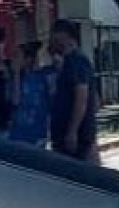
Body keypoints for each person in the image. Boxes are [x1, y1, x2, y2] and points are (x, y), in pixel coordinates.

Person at [49, 19, 99, 163]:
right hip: (79, 133)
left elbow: (81, 98)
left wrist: (72, 131)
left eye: (54, 37)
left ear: (64, 37)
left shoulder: (75, 61)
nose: (52, 41)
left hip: (75, 135)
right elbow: (95, 101)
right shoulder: (74, 62)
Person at [8, 41, 51, 147]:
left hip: (38, 131)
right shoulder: (14, 79)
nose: (14, 60)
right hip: (19, 133)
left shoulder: (42, 77)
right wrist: (16, 73)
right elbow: (15, 101)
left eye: (17, 57)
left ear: (28, 59)